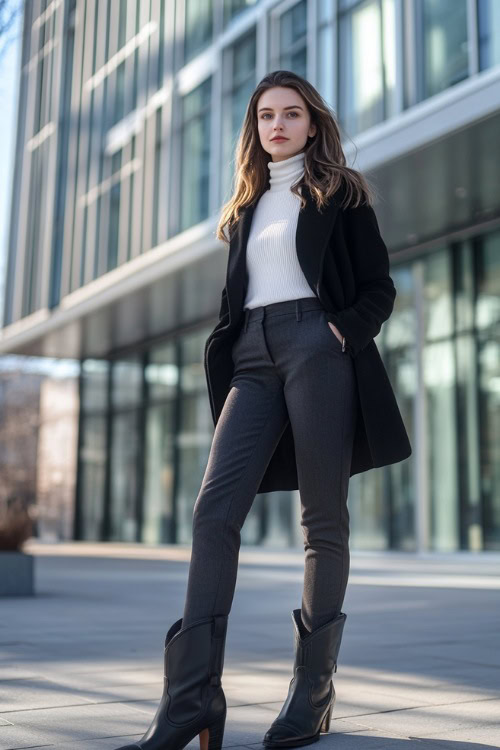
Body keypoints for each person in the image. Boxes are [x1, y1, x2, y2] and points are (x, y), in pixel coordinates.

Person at [114, 70, 411, 750]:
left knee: (321, 516)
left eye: (291, 113)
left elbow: (379, 287)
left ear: (312, 123)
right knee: (214, 511)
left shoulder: (342, 193)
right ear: (255, 128)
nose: (276, 124)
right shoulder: (246, 205)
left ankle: (312, 692)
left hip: (318, 345)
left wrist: (340, 332)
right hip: (252, 352)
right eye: (265, 115)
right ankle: (191, 698)